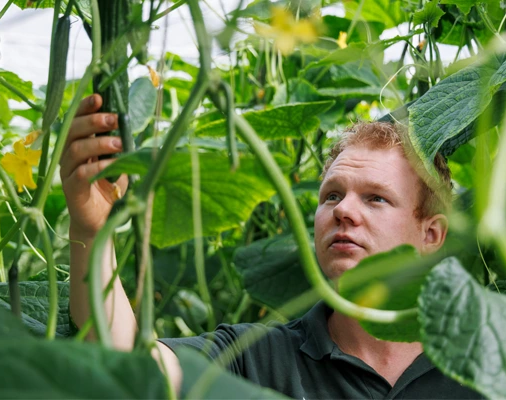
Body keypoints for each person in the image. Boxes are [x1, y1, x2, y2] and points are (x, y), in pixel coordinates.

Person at [63, 94, 482, 399]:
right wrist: (92, 228)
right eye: (331, 196)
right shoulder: (256, 359)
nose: (343, 211)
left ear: (431, 236)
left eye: (375, 198)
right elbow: (124, 365)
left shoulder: (489, 365)